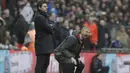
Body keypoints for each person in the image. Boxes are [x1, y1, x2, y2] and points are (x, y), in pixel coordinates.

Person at [34, 1, 54, 73]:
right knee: (40, 64)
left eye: (46, 6)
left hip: (46, 45)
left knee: (46, 64)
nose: (47, 8)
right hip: (42, 44)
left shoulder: (44, 17)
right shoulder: (39, 17)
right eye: (44, 6)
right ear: (39, 7)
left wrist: (50, 26)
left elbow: (50, 27)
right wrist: (51, 26)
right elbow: (50, 28)